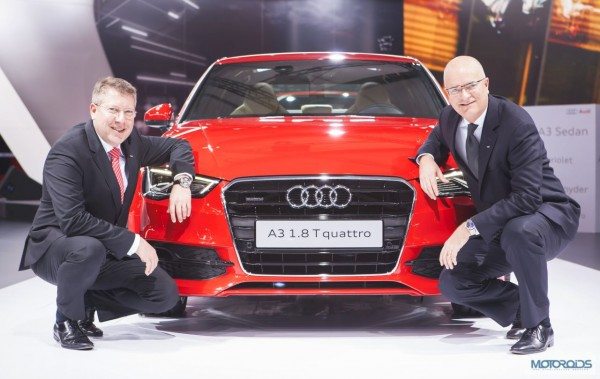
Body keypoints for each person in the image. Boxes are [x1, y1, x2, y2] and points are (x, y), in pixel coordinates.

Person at [416, 56, 580, 354]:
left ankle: (539, 325)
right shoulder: (449, 117)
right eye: (455, 90)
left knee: (520, 231)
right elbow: (435, 140)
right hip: (501, 224)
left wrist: (468, 227)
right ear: (446, 92)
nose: (465, 96)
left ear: (486, 84)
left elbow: (528, 197)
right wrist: (425, 158)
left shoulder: (515, 122)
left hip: (546, 215)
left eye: (471, 86)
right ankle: (521, 308)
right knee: (453, 281)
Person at [19, 77, 195, 350]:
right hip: (57, 246)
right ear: (93, 110)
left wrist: (181, 183)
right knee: (87, 249)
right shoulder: (67, 152)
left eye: (128, 112)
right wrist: (135, 242)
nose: (121, 120)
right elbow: (73, 220)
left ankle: (85, 301)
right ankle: (65, 320)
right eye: (113, 110)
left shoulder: (132, 144)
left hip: (103, 249)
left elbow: (178, 145)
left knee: (164, 295)